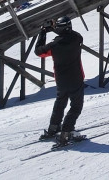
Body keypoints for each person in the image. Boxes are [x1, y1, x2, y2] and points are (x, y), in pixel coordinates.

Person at [35, 15, 85, 146]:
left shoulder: (54, 45)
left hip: (61, 81)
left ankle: (53, 128)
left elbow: (38, 52)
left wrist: (43, 32)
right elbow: (72, 34)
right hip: (76, 79)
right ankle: (66, 132)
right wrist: (55, 28)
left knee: (60, 103)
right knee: (76, 107)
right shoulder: (77, 39)